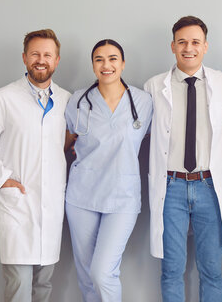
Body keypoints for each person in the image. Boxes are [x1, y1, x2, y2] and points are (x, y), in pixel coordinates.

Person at [144, 16, 222, 302]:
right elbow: (136, 127)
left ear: (205, 46)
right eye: (182, 42)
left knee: (211, 271)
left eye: (195, 42)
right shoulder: (154, 86)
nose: (189, 48)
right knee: (171, 270)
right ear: (172, 46)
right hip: (171, 186)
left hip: (209, 186)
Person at [0, 29, 71, 302]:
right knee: (19, 286)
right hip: (17, 205)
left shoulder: (66, 100)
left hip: (50, 206)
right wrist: (2, 179)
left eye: (47, 54)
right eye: (35, 54)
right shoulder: (3, 98)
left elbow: (68, 143)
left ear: (57, 60)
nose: (41, 60)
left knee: (44, 286)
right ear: (25, 58)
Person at [64, 39, 152, 302]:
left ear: (122, 64)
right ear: (93, 65)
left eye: (113, 58)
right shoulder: (78, 100)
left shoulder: (143, 101)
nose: (106, 65)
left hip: (122, 197)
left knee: (103, 272)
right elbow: (66, 142)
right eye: (99, 59)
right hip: (82, 196)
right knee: (86, 276)